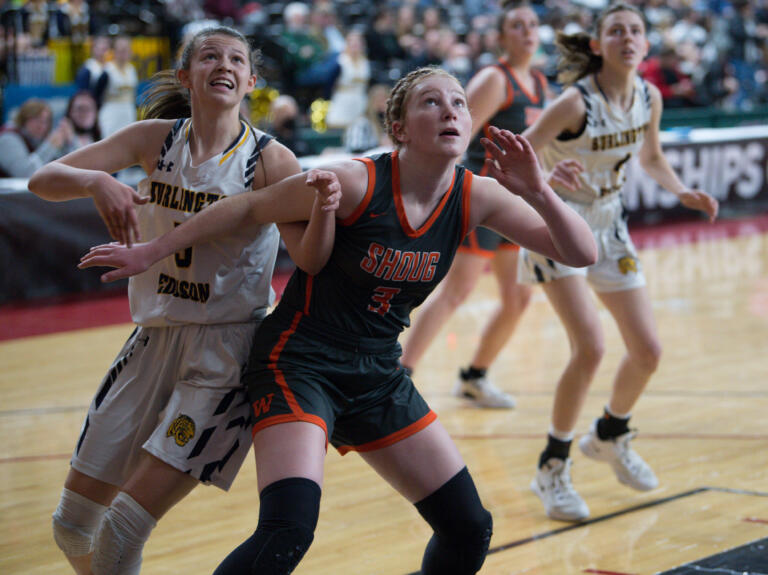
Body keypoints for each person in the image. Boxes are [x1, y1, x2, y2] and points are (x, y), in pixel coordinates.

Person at [79, 66, 597, 575]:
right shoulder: (356, 180)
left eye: (459, 102)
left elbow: (582, 252)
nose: (451, 111)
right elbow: (246, 208)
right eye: (431, 102)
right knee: (288, 530)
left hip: (376, 372)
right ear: (399, 129)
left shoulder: (475, 194)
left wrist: (539, 191)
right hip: (299, 364)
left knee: (468, 528)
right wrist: (152, 251)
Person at [28, 25, 340, 575]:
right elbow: (44, 180)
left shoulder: (271, 160)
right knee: (72, 524)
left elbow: (310, 260)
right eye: (211, 56)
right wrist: (95, 183)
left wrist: (325, 211)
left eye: (237, 59)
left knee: (121, 532)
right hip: (152, 341)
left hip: (226, 354)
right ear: (186, 76)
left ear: (250, 81)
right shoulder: (154, 139)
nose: (224, 64)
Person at [518, 2, 719, 522]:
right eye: (616, 30)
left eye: (636, 30)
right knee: (590, 348)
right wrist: (543, 183)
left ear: (647, 44)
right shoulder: (573, 103)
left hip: (610, 222)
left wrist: (682, 191)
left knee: (647, 351)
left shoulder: (649, 96)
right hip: (559, 224)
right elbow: (519, 154)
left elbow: (650, 157)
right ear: (597, 44)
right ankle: (552, 466)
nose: (627, 37)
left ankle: (609, 434)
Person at [400, 3, 547, 408]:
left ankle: (474, 377)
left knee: (517, 298)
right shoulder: (494, 79)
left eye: (533, 24)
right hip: (483, 200)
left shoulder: (539, 81)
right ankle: (402, 375)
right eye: (517, 25)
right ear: (501, 36)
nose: (528, 31)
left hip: (514, 205)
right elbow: (459, 137)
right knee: (456, 292)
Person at [0, 98, 73, 177]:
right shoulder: (8, 138)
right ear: (24, 119)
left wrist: (68, 143)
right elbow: (24, 174)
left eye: (46, 121)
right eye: (37, 119)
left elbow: (63, 167)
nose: (42, 126)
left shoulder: (36, 139)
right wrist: (50, 146)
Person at [97, 35, 138, 138]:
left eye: (126, 50)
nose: (124, 53)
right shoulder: (107, 70)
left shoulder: (132, 69)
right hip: (111, 112)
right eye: (121, 50)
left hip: (128, 111)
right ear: (114, 51)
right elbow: (97, 94)